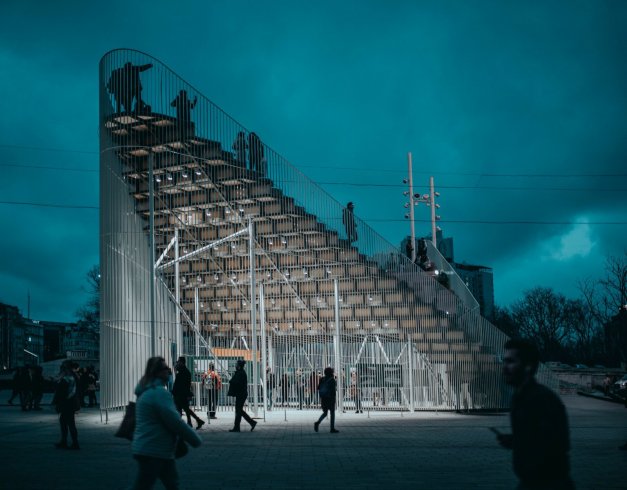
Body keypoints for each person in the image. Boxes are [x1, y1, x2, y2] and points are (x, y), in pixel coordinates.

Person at [495, 339, 574, 490]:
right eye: (504, 361)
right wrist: (513, 440)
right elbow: (535, 436)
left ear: (528, 366)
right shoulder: (520, 396)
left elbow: (553, 444)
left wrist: (517, 441)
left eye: (511, 362)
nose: (504, 367)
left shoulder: (541, 399)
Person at [131, 356, 202, 490]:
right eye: (166, 369)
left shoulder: (146, 391)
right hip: (154, 449)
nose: (169, 371)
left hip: (155, 448)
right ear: (157, 372)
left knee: (171, 485)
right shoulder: (159, 393)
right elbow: (175, 421)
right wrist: (195, 439)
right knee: (144, 486)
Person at [52, 360, 80, 449]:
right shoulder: (74, 377)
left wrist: (56, 403)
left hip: (66, 404)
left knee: (66, 422)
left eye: (62, 367)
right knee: (68, 422)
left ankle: (71, 443)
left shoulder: (66, 379)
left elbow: (60, 393)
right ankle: (69, 442)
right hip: (72, 403)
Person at [172, 357, 204, 429]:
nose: (177, 363)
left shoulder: (184, 372)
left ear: (182, 362)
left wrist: (175, 370)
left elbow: (181, 384)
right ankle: (193, 422)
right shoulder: (184, 371)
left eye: (178, 362)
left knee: (182, 409)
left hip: (181, 394)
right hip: (181, 394)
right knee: (185, 409)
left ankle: (190, 422)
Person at [227, 359, 257, 432]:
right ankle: (239, 426)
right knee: (239, 410)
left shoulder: (240, 373)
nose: (235, 366)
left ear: (239, 366)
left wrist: (231, 381)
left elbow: (236, 382)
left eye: (236, 364)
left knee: (239, 410)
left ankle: (249, 423)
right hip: (241, 394)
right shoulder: (241, 372)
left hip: (241, 394)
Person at [314, 367, 339, 433]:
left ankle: (318, 422)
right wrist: (334, 399)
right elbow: (333, 391)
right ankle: (332, 428)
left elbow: (318, 387)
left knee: (325, 413)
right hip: (330, 399)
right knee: (332, 413)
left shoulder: (322, 379)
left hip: (323, 398)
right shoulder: (332, 380)